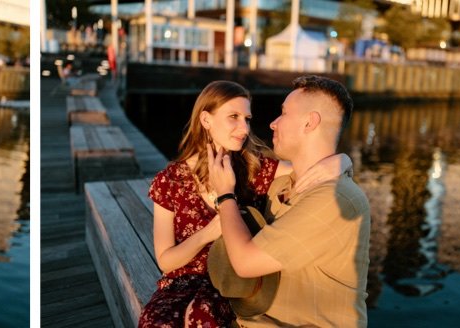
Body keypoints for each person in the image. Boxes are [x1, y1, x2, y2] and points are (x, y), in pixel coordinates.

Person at [207, 75, 370, 327]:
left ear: (309, 122)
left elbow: (246, 263)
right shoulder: (284, 184)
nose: (273, 123)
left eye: (283, 113)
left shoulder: (335, 199)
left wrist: (225, 195)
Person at [138, 81, 280, 327]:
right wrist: (209, 233)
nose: (244, 128)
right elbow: (165, 261)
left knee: (203, 316)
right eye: (233, 117)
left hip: (230, 284)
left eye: (247, 118)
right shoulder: (170, 181)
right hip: (181, 282)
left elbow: (310, 166)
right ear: (206, 120)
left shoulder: (255, 168)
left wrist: (342, 161)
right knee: (156, 322)